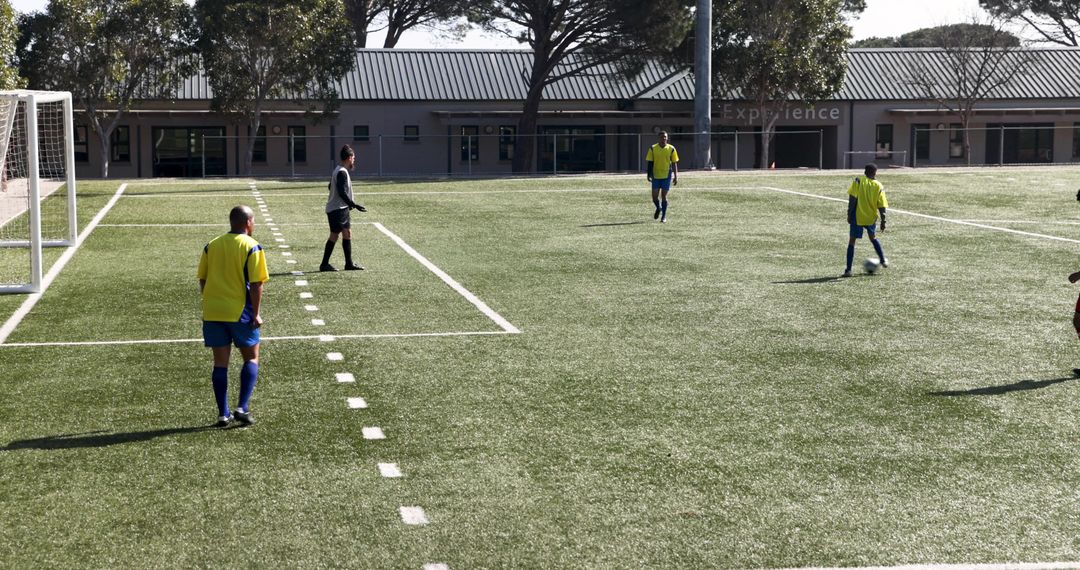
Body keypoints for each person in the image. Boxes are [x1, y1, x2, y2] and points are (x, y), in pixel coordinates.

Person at [198, 205, 269, 427]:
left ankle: (223, 414)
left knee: (220, 363)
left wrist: (211, 300)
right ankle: (242, 407)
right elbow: (256, 284)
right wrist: (256, 314)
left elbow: (203, 278)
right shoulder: (252, 247)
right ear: (248, 223)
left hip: (213, 312)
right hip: (240, 312)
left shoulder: (212, 245)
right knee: (251, 357)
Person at [321, 144, 367, 272]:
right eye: (353, 158)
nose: (354, 160)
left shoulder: (339, 170)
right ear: (349, 157)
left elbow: (330, 186)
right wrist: (354, 204)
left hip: (339, 208)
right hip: (337, 209)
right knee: (335, 235)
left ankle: (348, 264)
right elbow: (341, 192)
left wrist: (348, 203)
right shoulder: (342, 172)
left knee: (345, 234)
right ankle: (325, 264)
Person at [842, 163, 889, 277]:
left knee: (852, 241)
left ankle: (848, 270)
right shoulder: (878, 185)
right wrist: (883, 221)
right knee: (873, 238)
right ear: (875, 173)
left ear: (865, 171)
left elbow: (852, 198)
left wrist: (849, 213)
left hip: (857, 217)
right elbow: (882, 205)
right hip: (871, 217)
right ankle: (883, 260)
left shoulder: (858, 181)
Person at [645, 131, 679, 223]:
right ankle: (658, 207)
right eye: (661, 137)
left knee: (664, 196)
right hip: (656, 175)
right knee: (654, 198)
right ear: (658, 138)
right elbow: (650, 163)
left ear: (667, 138)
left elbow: (674, 163)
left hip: (666, 175)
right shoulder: (653, 148)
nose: (663, 138)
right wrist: (649, 175)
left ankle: (663, 216)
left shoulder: (671, 148)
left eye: (665, 137)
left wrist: (676, 176)